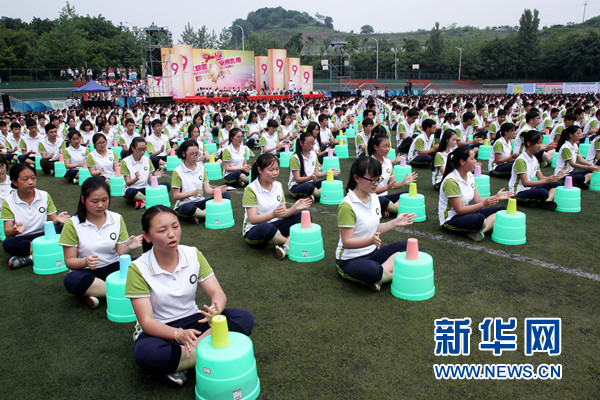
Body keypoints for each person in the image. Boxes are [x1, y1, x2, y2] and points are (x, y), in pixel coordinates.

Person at [125, 205, 254, 385]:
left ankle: (183, 361)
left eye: (175, 227)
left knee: (243, 318)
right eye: (162, 230)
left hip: (194, 321)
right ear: (146, 236)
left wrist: (215, 311)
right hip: (161, 329)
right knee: (146, 354)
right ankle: (207, 353)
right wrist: (178, 334)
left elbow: (217, 293)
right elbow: (146, 322)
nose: (172, 234)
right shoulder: (138, 268)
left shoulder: (192, 254)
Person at [335, 156, 416, 292]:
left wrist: (395, 222)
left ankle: (381, 275)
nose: (376, 184)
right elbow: (347, 242)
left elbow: (375, 227)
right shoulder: (347, 205)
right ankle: (387, 275)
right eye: (372, 180)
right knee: (371, 270)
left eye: (377, 179)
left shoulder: (374, 198)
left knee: (410, 247)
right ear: (357, 178)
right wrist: (370, 240)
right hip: (350, 260)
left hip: (373, 252)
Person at [60, 177, 142, 308]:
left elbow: (120, 253)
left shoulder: (116, 218)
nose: (100, 205)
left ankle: (99, 293)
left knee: (143, 263)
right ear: (83, 200)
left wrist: (127, 247)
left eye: (104, 200)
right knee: (71, 280)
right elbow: (69, 261)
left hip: (114, 266)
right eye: (94, 201)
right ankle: (124, 292)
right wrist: (85, 261)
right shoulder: (73, 224)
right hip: (87, 271)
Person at [242, 153, 312, 259]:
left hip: (274, 225)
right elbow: (253, 219)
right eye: (271, 170)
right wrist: (272, 214)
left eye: (277, 169)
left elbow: (283, 213)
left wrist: (295, 208)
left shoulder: (278, 186)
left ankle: (285, 246)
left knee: (304, 216)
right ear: (260, 170)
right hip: (255, 230)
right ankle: (292, 243)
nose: (275, 173)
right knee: (266, 227)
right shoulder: (251, 189)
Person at [438, 145, 513, 242]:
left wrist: (496, 196)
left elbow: (477, 199)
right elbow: (459, 210)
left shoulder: (469, 175)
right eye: (472, 159)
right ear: (462, 162)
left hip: (466, 213)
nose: (475, 161)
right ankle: (482, 226)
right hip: (451, 219)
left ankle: (481, 231)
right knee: (480, 220)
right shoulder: (451, 181)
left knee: (502, 211)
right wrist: (483, 204)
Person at [1, 163, 70, 269]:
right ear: (14, 182)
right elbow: (7, 232)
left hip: (45, 236)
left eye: (33, 178)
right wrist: (15, 230)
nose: (30, 182)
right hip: (24, 238)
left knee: (70, 227)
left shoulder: (44, 195)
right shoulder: (9, 201)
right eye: (25, 179)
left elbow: (53, 221)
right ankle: (54, 250)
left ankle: (31, 258)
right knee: (8, 243)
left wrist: (57, 220)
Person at [172, 140, 229, 222]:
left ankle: (200, 215)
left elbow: (208, 190)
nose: (195, 157)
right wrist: (192, 193)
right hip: (185, 204)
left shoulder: (201, 168)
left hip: (200, 202)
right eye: (191, 154)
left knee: (225, 195)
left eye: (197, 153)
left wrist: (217, 190)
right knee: (187, 208)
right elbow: (176, 196)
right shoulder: (177, 171)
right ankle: (210, 215)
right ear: (183, 154)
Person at [509, 130, 563, 210]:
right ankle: (545, 200)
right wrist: (546, 181)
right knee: (542, 192)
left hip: (529, 189)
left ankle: (547, 201)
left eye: (540, 143)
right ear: (528, 143)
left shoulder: (534, 159)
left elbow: (541, 178)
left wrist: (555, 178)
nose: (540, 146)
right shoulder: (521, 160)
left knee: (557, 184)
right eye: (538, 143)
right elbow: (525, 183)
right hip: (518, 193)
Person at [368, 133, 417, 215]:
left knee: (408, 194)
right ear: (376, 147)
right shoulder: (368, 163)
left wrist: (403, 182)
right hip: (371, 198)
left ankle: (388, 210)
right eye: (385, 147)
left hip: (385, 198)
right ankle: (394, 210)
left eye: (389, 146)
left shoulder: (388, 163)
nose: (388, 149)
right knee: (382, 201)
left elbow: (393, 184)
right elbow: (369, 191)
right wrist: (387, 187)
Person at [121, 137, 171, 209]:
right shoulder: (125, 161)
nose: (142, 151)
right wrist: (136, 179)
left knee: (167, 185)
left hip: (146, 189)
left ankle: (143, 201)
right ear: (132, 148)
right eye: (139, 149)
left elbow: (150, 181)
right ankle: (152, 200)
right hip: (133, 190)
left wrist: (155, 178)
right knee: (130, 192)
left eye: (144, 149)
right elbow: (128, 183)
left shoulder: (147, 159)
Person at [288, 131, 340, 199]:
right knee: (308, 187)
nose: (312, 145)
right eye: (309, 143)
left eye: (313, 143)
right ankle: (318, 193)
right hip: (296, 186)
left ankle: (314, 195)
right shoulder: (295, 158)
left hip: (310, 183)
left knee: (335, 180)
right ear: (301, 143)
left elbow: (316, 173)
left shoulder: (313, 155)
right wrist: (310, 177)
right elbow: (297, 179)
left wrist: (328, 172)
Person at [554, 125, 599, 189]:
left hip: (570, 172)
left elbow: (581, 159)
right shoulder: (566, 147)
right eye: (578, 133)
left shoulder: (575, 145)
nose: (580, 135)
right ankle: (573, 182)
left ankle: (580, 182)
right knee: (582, 177)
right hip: (562, 174)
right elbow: (573, 164)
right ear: (571, 135)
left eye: (580, 133)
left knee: (590, 172)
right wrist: (589, 167)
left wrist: (592, 165)